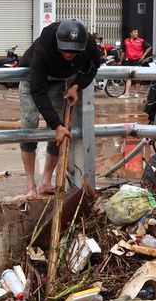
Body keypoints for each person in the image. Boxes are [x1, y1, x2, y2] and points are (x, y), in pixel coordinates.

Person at [19, 18, 100, 199]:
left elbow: (94, 67)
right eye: (65, 51)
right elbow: (37, 90)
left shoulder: (89, 44)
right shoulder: (44, 45)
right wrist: (55, 125)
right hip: (32, 78)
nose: (69, 55)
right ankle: (30, 184)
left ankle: (46, 182)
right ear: (58, 42)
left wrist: (76, 86)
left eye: (74, 52)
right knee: (29, 124)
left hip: (59, 80)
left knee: (62, 131)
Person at [119, 28, 150, 98]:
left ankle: (136, 93)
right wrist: (121, 61)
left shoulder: (141, 41)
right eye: (135, 32)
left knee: (137, 77)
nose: (136, 33)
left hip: (137, 60)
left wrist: (143, 55)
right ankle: (127, 93)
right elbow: (123, 51)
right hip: (129, 60)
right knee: (128, 76)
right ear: (131, 33)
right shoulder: (126, 41)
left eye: (137, 32)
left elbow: (149, 47)